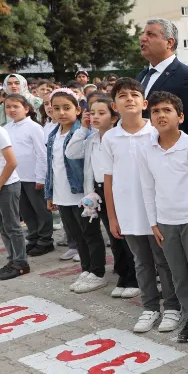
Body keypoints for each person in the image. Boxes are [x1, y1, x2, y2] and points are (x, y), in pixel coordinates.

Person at [139, 91, 188, 345]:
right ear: (150, 117)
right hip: (165, 223)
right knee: (178, 275)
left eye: (167, 110)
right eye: (155, 111)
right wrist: (153, 223)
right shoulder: (147, 149)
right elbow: (147, 188)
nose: (161, 115)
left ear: (180, 117)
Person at [104, 78, 181, 332]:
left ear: (144, 103)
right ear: (114, 106)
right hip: (129, 213)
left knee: (164, 261)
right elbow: (108, 180)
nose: (129, 99)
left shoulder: (156, 132)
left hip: (158, 212)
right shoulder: (111, 138)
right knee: (142, 262)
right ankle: (149, 308)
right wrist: (113, 217)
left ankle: (172, 307)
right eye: (122, 95)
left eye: (134, 94)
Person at [66, 94, 138, 298]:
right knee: (113, 235)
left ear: (114, 117)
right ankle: (122, 273)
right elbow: (71, 153)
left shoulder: (119, 137)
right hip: (98, 191)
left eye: (101, 113)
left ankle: (134, 277)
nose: (95, 117)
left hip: (119, 189)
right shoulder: (91, 139)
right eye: (92, 112)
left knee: (125, 235)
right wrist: (82, 128)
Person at [46, 89, 107, 293]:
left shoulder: (84, 133)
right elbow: (52, 167)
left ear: (78, 110)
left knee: (90, 233)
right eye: (56, 109)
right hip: (62, 195)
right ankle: (87, 269)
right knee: (76, 235)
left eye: (67, 108)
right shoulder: (54, 134)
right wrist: (50, 194)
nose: (61, 113)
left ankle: (97, 272)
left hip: (81, 194)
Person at [136, 19, 188, 151]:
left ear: (169, 43)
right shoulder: (142, 76)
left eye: (151, 34)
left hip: (174, 159)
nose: (142, 38)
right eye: (143, 34)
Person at [0, 94, 29, 280]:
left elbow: (12, 162)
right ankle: (12, 260)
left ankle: (21, 263)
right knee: (1, 226)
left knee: (12, 226)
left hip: (5, 185)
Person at [3, 94, 53, 257]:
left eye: (15, 106)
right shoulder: (6, 128)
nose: (11, 110)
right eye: (8, 107)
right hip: (16, 177)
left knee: (40, 209)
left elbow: (41, 153)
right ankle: (33, 238)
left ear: (26, 109)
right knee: (25, 211)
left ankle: (45, 240)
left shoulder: (34, 127)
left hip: (33, 177)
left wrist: (40, 177)